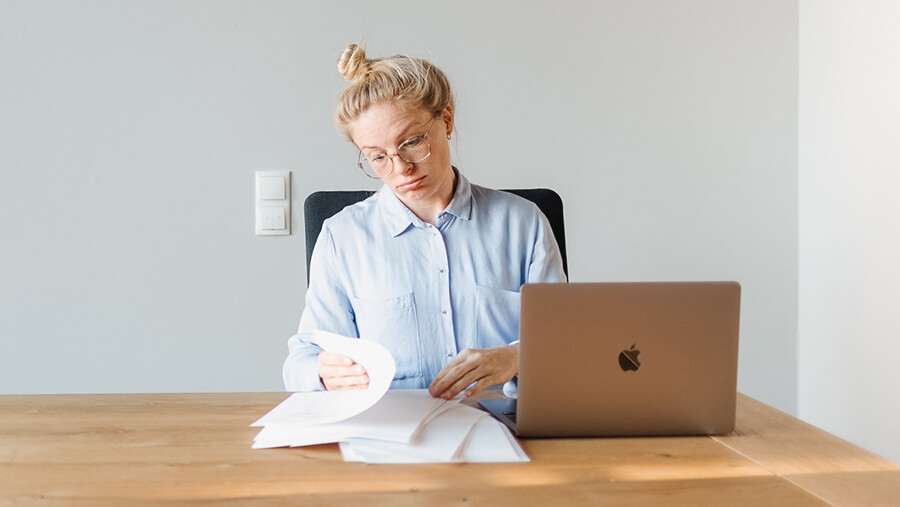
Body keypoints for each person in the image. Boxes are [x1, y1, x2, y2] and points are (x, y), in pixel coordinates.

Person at [283, 43, 566, 400]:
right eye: (377, 157)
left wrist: (515, 357)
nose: (400, 168)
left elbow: (566, 343)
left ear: (446, 121)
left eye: (412, 142)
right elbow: (302, 360)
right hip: (390, 437)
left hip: (503, 430)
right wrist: (323, 372)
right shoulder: (342, 238)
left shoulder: (522, 224)